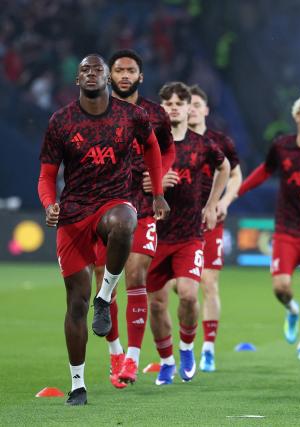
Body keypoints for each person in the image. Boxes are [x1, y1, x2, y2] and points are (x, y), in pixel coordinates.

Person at [37, 54, 169, 405]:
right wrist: (50, 203)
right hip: (74, 214)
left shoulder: (132, 116)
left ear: (107, 78)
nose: (91, 73)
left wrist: (157, 194)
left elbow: (153, 149)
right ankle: (77, 383)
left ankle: (105, 294)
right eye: (84, 70)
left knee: (125, 220)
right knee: (74, 305)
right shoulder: (61, 121)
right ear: (77, 80)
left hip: (113, 203)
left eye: (97, 68)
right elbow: (47, 174)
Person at [92, 49, 175, 389]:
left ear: (141, 76)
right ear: (110, 76)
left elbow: (167, 149)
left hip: (141, 207)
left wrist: (159, 182)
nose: (125, 75)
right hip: (103, 208)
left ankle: (133, 358)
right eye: (119, 70)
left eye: (131, 70)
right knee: (103, 283)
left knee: (136, 273)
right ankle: (115, 350)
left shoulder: (155, 114)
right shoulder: (95, 112)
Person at [236, 94, 300, 362]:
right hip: (286, 229)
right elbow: (264, 172)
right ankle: (291, 310)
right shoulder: (281, 146)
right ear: (297, 118)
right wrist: (238, 191)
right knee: (281, 287)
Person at [147, 82, 230, 385]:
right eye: (167, 103)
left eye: (178, 103)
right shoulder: (150, 143)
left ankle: (186, 349)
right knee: (156, 303)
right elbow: (129, 174)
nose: (173, 107)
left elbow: (225, 168)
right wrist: (150, 183)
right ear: (162, 108)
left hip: (189, 234)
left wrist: (212, 205)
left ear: (186, 107)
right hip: (154, 235)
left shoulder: (202, 145)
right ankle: (166, 360)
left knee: (188, 294)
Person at [188, 84, 243, 372]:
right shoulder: (171, 140)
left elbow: (236, 175)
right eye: (190, 104)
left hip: (210, 222)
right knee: (177, 287)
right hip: (178, 224)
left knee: (209, 284)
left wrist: (225, 201)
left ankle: (207, 348)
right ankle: (185, 346)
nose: (193, 108)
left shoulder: (220, 142)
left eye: (198, 103)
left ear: (206, 109)